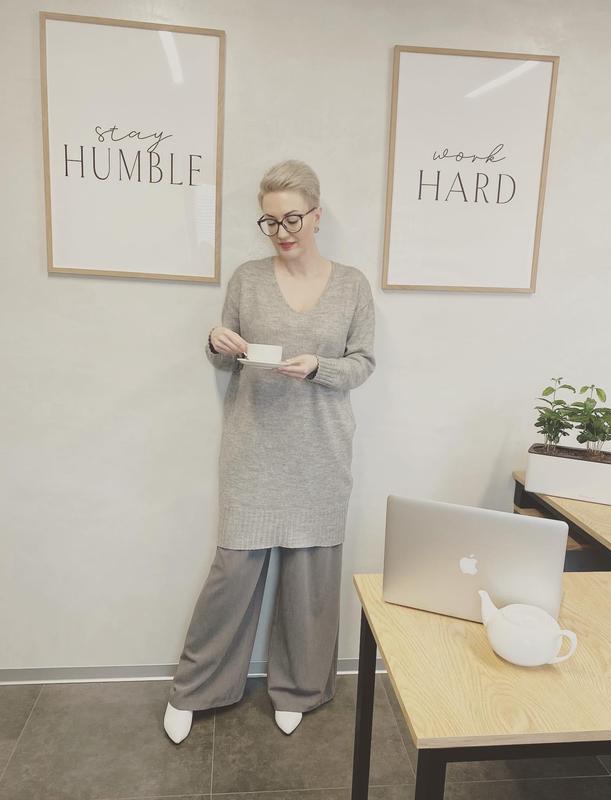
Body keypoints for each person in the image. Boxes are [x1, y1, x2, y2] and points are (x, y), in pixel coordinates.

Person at [164, 159, 376, 743]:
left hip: (321, 449)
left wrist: (319, 367)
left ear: (316, 215)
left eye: (292, 219)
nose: (281, 232)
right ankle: (195, 688)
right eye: (270, 221)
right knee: (233, 573)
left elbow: (363, 364)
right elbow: (223, 357)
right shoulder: (248, 279)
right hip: (252, 445)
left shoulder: (352, 285)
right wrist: (216, 340)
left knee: (310, 579)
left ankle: (300, 689)